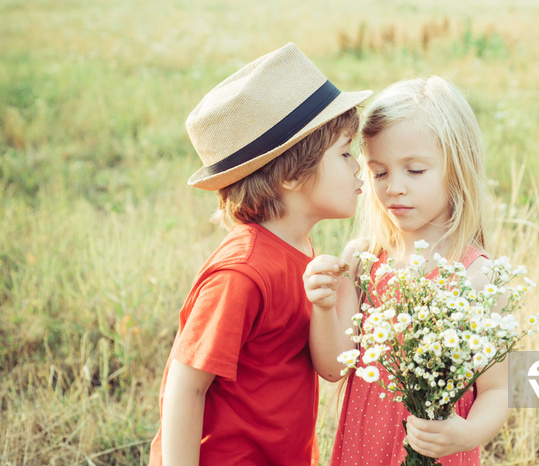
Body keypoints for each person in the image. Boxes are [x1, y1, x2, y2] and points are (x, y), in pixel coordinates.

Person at [147, 43, 371, 466]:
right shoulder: (243, 272)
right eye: (344, 153)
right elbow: (186, 383)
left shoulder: (298, 247)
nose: (358, 166)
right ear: (290, 174)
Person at [303, 76, 509, 465]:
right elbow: (332, 367)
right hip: (363, 448)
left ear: (457, 169)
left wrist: (464, 433)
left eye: (414, 171)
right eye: (379, 173)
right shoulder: (364, 260)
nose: (394, 187)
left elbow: (498, 390)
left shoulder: (476, 277)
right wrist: (324, 306)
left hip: (438, 451)